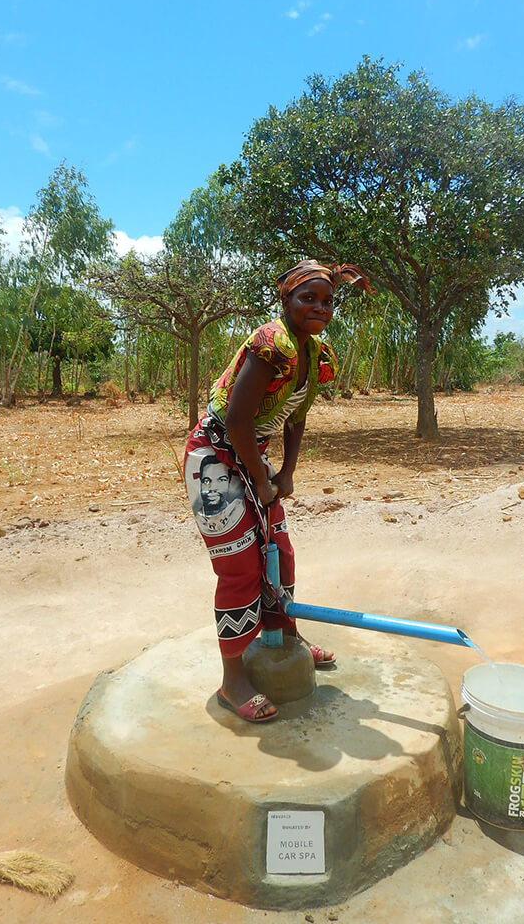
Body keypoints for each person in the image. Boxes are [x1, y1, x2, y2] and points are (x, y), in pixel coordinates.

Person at [183, 259, 374, 722]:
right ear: (285, 300)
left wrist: (286, 471)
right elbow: (236, 420)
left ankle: (288, 636)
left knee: (279, 550)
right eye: (307, 298)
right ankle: (233, 682)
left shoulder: (316, 356)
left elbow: (297, 414)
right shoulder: (271, 343)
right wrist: (265, 481)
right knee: (239, 568)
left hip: (255, 456)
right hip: (214, 455)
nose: (319, 307)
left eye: (327, 301)